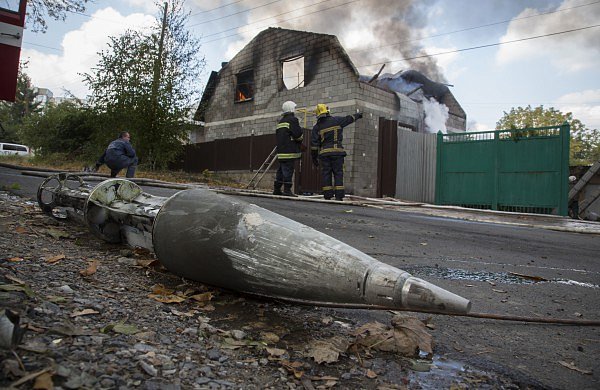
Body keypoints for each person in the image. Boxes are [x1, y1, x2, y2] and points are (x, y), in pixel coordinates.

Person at [311, 104, 362, 201]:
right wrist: (358, 115)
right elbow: (349, 119)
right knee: (338, 173)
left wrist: (314, 158)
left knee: (326, 173)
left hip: (324, 154)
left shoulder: (317, 127)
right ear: (328, 111)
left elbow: (314, 146)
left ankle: (327, 195)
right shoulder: (337, 120)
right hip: (337, 153)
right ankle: (339, 196)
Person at [273, 101, 304, 196]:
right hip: (289, 151)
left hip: (281, 151)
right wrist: (300, 138)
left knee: (281, 170)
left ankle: (277, 189)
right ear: (291, 109)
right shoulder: (293, 120)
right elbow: (298, 135)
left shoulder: (281, 121)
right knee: (288, 170)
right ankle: (287, 190)